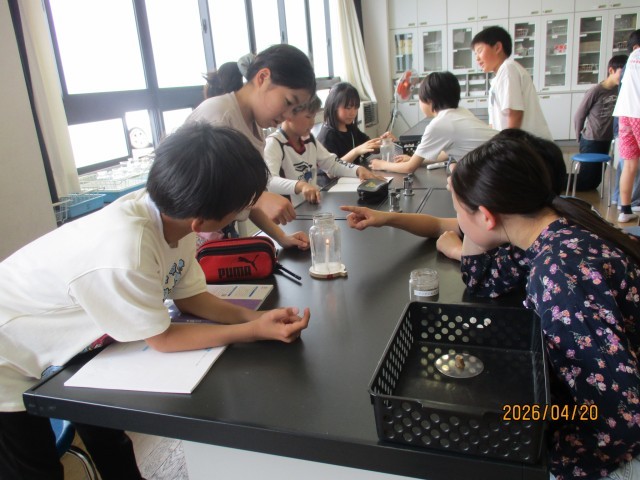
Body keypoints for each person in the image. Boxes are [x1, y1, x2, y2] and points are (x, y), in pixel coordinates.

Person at [0, 123, 311, 480]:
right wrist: (252, 331)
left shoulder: (174, 216)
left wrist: (254, 318)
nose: (243, 212)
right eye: (239, 209)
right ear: (202, 223)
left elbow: (191, 299)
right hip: (8, 353)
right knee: (33, 467)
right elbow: (162, 338)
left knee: (108, 434)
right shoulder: (127, 249)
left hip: (71, 343)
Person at [450, 135, 640, 480]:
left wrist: (524, 425)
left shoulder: (560, 273)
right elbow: (484, 280)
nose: (458, 219)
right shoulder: (553, 224)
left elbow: (622, 418)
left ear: (487, 216)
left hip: (621, 451)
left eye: (458, 210)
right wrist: (466, 204)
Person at [342, 128, 567, 263]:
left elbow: (474, 266)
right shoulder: (526, 220)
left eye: (459, 209)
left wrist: (459, 251)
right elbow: (440, 225)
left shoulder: (547, 266)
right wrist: (384, 218)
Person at [187, 44, 316, 227]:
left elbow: (250, 199)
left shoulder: (255, 127)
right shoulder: (218, 115)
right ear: (263, 78)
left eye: (295, 109)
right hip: (193, 232)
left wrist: (283, 238)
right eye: (288, 102)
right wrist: (260, 200)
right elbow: (199, 189)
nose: (288, 115)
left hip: (218, 228)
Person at [368, 71, 497, 174]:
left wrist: (382, 165)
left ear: (430, 100)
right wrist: (415, 159)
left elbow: (409, 168)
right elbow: (445, 154)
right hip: (501, 158)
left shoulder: (440, 124)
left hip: (495, 170)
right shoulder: (461, 112)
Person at [264, 95, 380, 205]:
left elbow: (332, 164)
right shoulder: (275, 143)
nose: (312, 122)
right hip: (291, 213)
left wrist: (358, 170)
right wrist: (300, 185)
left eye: (313, 117)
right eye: (308, 117)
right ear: (288, 115)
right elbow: (270, 181)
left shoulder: (309, 140)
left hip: (312, 206)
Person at [471, 26, 552, 140]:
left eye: (479, 51)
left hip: (528, 145)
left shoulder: (508, 68)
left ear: (497, 47)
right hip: (520, 144)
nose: (477, 58)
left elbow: (514, 113)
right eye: (475, 54)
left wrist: (507, 145)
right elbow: (494, 124)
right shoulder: (497, 80)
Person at [572, 54, 627, 191]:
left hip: (606, 139)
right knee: (585, 181)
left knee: (595, 181)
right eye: (621, 73)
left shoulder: (620, 90)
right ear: (611, 70)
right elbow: (579, 115)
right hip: (591, 139)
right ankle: (555, 183)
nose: (624, 76)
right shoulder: (596, 90)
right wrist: (579, 136)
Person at [316, 82, 394, 164]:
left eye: (356, 108)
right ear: (334, 106)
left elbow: (369, 147)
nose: (353, 113)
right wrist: (356, 151)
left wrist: (385, 141)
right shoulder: (326, 136)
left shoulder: (350, 128)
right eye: (348, 108)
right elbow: (331, 169)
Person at [613, 29, 640, 223]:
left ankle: (625, 210)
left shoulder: (630, 60)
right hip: (638, 113)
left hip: (624, 114)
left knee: (629, 164)